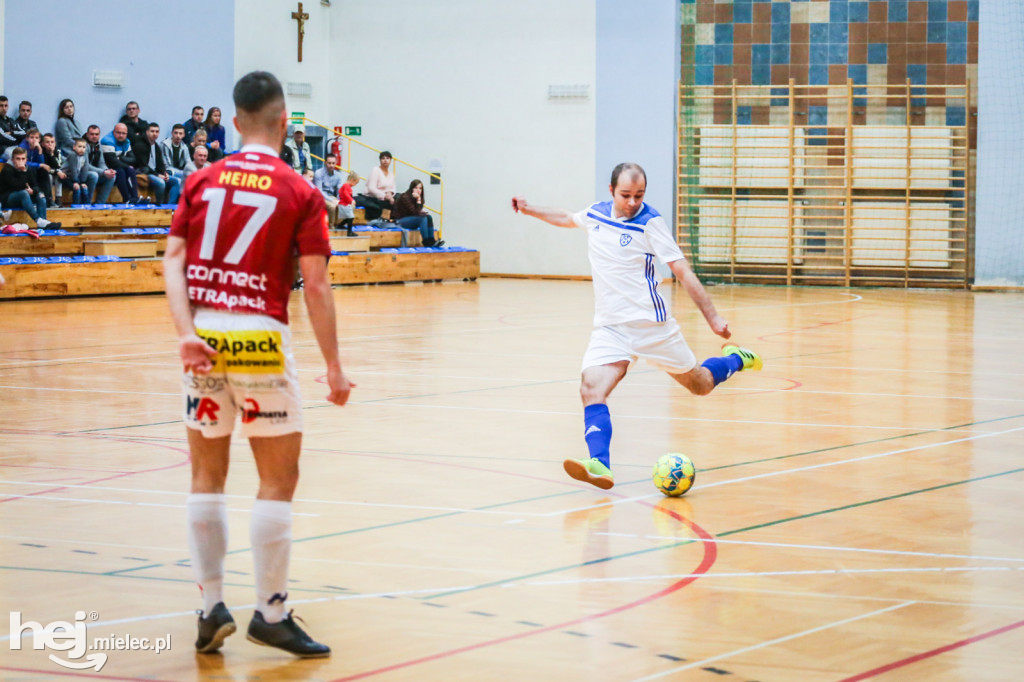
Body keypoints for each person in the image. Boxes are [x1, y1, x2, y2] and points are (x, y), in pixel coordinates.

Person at [163, 69, 352, 658]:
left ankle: (209, 606)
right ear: (282, 122)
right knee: (277, 478)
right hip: (260, 337)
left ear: (236, 121)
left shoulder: (201, 180)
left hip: (206, 335)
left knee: (205, 475)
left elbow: (172, 258)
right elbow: (316, 286)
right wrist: (335, 365)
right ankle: (270, 611)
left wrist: (186, 332)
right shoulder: (299, 191)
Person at [511, 162, 762, 489]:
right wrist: (530, 210)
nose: (632, 202)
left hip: (653, 329)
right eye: (626, 195)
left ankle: (736, 358)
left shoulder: (650, 223)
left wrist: (712, 316)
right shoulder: (597, 215)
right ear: (612, 191)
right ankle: (600, 465)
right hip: (611, 330)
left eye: (639, 195)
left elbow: (682, 271)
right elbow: (567, 217)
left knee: (700, 384)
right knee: (591, 388)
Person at [0, 147, 62, 229]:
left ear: (26, 159)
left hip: (25, 197)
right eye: (18, 159)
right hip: (8, 198)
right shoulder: (7, 170)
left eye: (23, 159)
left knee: (41, 196)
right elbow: (18, 186)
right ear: (13, 159)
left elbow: (35, 185)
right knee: (23, 193)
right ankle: (38, 220)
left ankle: (43, 224)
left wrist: (33, 191)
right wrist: (22, 171)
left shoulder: (28, 169)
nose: (20, 161)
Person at [132, 123, 180, 204]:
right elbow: (143, 166)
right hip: (144, 173)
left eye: (157, 131)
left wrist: (164, 173)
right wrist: (158, 175)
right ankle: (159, 206)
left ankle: (170, 207)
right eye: (152, 131)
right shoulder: (140, 145)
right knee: (160, 183)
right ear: (147, 132)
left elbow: (160, 163)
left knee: (177, 181)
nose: (155, 134)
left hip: (155, 172)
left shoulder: (156, 146)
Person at [392, 179, 444, 248]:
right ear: (411, 188)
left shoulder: (417, 198)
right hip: (399, 221)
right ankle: (426, 241)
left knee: (429, 217)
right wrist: (418, 200)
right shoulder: (405, 197)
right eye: (416, 188)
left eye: (420, 188)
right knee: (423, 219)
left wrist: (419, 203)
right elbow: (415, 212)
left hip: (410, 219)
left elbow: (417, 211)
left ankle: (432, 240)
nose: (418, 190)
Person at [100, 122, 142, 204]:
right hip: (106, 167)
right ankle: (127, 199)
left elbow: (133, 159)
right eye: (118, 133)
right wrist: (126, 164)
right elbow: (112, 161)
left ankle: (135, 198)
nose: (121, 135)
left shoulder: (127, 141)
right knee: (122, 171)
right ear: (113, 132)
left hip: (119, 166)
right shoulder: (107, 140)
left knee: (130, 170)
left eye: (123, 133)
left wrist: (120, 158)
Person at [83, 125, 118, 204]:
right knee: (94, 175)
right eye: (92, 134)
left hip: (94, 172)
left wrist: (107, 170)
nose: (94, 136)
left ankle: (100, 203)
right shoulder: (83, 145)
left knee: (112, 177)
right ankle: (87, 203)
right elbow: (86, 166)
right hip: (82, 174)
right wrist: (103, 172)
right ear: (87, 134)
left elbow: (101, 163)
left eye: (96, 134)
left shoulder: (98, 146)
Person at [358, 150, 395, 220]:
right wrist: (384, 196)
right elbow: (371, 188)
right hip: (373, 197)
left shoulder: (391, 174)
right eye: (383, 158)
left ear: (390, 160)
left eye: (387, 158)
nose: (385, 160)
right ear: (380, 160)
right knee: (377, 206)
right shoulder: (376, 170)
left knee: (399, 198)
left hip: (387, 197)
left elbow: (393, 189)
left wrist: (390, 194)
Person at [312, 153, 342, 228]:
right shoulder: (318, 173)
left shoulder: (338, 175)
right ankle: (331, 227)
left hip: (332, 196)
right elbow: (319, 191)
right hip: (321, 196)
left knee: (344, 204)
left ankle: (338, 225)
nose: (331, 165)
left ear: (336, 163)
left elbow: (339, 190)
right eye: (329, 163)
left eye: (333, 163)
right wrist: (332, 200)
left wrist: (339, 200)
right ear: (325, 163)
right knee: (332, 206)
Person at [61, 138, 92, 205]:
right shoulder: (72, 155)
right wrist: (75, 182)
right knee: (77, 188)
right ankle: (76, 207)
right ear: (74, 147)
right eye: (79, 146)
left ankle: (86, 206)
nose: (82, 149)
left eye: (84, 147)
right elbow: (73, 170)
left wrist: (83, 182)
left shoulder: (85, 156)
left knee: (84, 188)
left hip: (76, 177)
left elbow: (85, 169)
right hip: (66, 177)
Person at [41, 133, 69, 206]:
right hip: (44, 173)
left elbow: (58, 166)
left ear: (55, 143)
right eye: (47, 142)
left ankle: (58, 198)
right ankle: (49, 198)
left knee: (60, 174)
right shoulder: (41, 152)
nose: (50, 144)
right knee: (49, 176)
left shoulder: (57, 152)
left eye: (52, 142)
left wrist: (52, 154)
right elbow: (45, 168)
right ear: (43, 144)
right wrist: (57, 171)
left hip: (54, 171)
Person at [338, 171, 358, 236]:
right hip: (344, 204)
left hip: (345, 204)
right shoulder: (346, 186)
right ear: (352, 180)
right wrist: (351, 200)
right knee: (351, 217)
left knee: (349, 217)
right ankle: (349, 232)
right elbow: (346, 194)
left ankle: (340, 225)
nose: (355, 185)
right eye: (356, 183)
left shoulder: (346, 186)